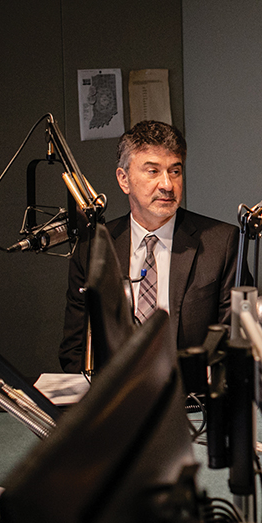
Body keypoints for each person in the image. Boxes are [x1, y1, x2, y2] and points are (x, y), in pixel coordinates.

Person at [59, 120, 243, 374]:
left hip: (192, 398)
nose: (167, 185)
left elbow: (234, 342)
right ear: (124, 180)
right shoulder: (93, 249)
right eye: (153, 171)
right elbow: (75, 350)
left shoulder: (221, 243)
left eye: (175, 171)